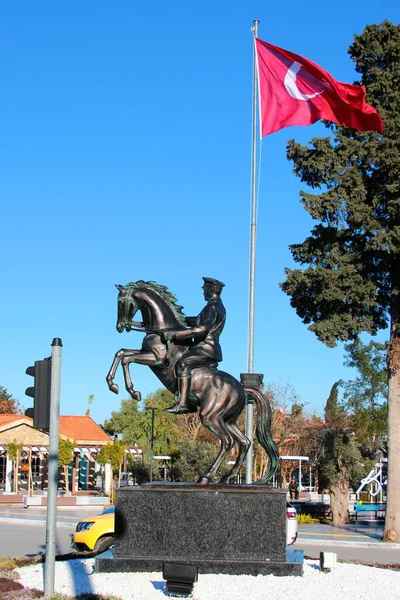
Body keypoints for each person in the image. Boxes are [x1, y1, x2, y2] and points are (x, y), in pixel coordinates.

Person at [163, 277, 226, 414]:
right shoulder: (215, 306)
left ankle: (183, 403)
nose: (203, 292)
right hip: (206, 347)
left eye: (204, 290)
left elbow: (202, 329)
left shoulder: (212, 307)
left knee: (183, 364)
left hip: (207, 348)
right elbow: (198, 322)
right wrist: (177, 320)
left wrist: (175, 334)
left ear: (210, 290)